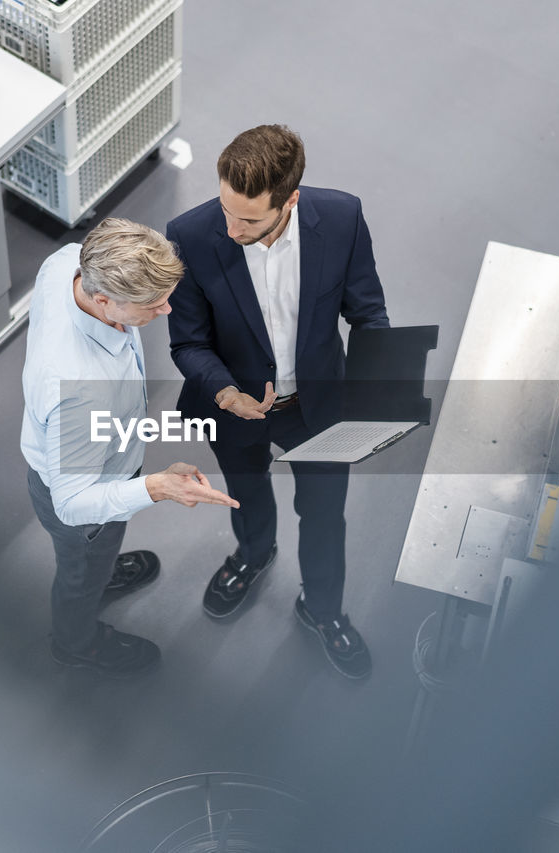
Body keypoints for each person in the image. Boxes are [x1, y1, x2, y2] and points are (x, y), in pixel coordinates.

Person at [166, 125, 390, 679]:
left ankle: (322, 609)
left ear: (289, 201)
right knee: (244, 492)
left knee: (323, 514)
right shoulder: (190, 235)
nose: (231, 227)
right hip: (232, 406)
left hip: (317, 406)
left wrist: (378, 399)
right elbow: (188, 342)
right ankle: (254, 552)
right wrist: (224, 392)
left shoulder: (340, 219)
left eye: (248, 219)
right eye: (225, 210)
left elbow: (368, 316)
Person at [21, 218, 238, 677]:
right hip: (86, 501)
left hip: (91, 451)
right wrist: (156, 487)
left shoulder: (66, 265)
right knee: (81, 569)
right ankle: (75, 640)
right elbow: (74, 505)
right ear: (103, 300)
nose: (166, 310)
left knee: (92, 561)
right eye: (153, 304)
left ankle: (99, 574)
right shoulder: (79, 387)